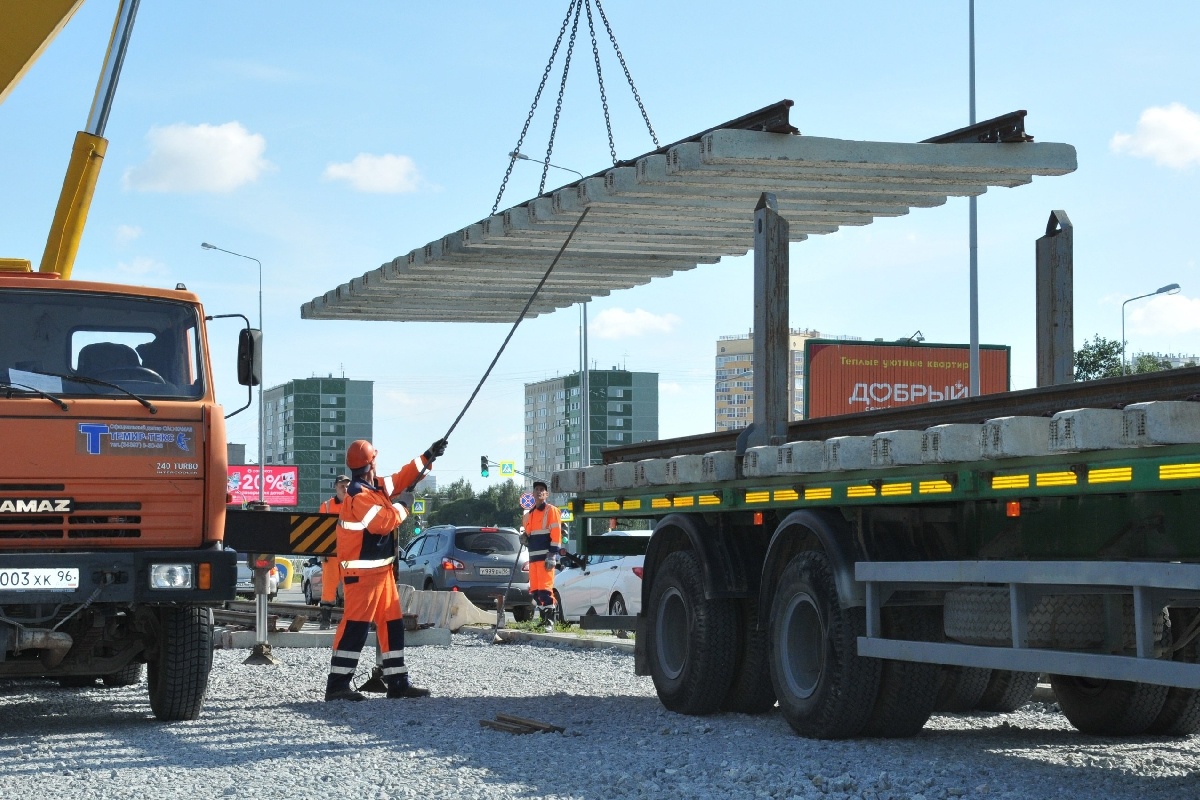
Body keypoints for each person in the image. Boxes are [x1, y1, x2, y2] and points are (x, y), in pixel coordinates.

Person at [324, 436, 447, 702]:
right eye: (376, 458)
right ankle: (337, 686)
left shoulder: (374, 487)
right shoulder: (359, 495)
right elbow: (383, 523)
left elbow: (402, 478)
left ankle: (398, 683)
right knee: (355, 627)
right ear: (371, 463)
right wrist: (404, 505)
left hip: (380, 574)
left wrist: (427, 457)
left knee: (392, 625)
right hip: (362, 576)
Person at [523, 479, 563, 631]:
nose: (539, 491)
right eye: (536, 489)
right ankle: (543, 619)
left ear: (546, 494)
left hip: (546, 557)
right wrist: (525, 537)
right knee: (535, 591)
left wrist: (552, 555)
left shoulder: (551, 510)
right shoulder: (531, 514)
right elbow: (529, 534)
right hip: (533, 558)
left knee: (546, 590)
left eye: (542, 489)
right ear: (532, 494)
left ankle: (550, 621)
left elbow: (556, 533)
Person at [315, 475, 351, 630]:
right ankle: (325, 621)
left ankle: (351, 621)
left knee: (352, 588)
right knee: (328, 588)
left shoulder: (355, 504)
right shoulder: (326, 506)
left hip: (350, 553)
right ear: (335, 487)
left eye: (347, 486)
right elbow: (320, 530)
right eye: (342, 486)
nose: (345, 489)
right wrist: (321, 552)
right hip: (330, 553)